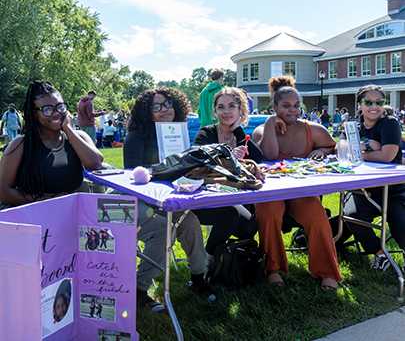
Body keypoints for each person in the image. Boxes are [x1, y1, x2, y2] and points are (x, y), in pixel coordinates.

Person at [124, 87, 216, 311]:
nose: (164, 109)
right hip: (137, 199)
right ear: (148, 112)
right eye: (157, 106)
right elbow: (131, 175)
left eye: (168, 104)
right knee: (163, 229)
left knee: (191, 222)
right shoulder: (137, 136)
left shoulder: (179, 133)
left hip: (168, 199)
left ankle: (197, 278)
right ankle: (138, 290)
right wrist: (163, 170)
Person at [252, 75, 342, 290]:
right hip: (272, 193)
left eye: (296, 106)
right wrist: (269, 124)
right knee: (269, 211)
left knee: (316, 214)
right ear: (274, 107)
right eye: (285, 106)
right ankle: (272, 269)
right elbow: (270, 156)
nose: (292, 110)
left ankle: (328, 272)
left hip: (302, 192)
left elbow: (335, 147)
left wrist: (320, 149)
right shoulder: (261, 131)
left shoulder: (315, 129)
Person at [0, 81, 103, 207]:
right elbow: (3, 192)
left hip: (71, 214)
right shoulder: (20, 145)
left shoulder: (78, 138)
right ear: (34, 112)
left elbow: (95, 164)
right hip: (32, 217)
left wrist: (69, 130)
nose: (56, 113)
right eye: (47, 109)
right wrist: (50, 199)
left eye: (60, 107)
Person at [193, 87, 264, 268]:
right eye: (221, 107)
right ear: (215, 111)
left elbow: (258, 157)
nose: (226, 111)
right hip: (206, 196)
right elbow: (196, 159)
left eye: (232, 106)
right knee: (230, 214)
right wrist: (229, 156)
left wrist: (238, 130)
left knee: (250, 227)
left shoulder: (240, 135)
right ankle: (207, 262)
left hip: (235, 194)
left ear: (241, 110)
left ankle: (231, 259)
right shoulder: (206, 133)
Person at [343, 85, 405, 271]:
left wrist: (358, 152)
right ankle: (379, 254)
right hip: (361, 190)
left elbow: (387, 156)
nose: (374, 106)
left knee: (401, 229)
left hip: (392, 190)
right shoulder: (353, 127)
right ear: (359, 105)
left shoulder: (390, 123)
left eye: (379, 102)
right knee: (352, 217)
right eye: (368, 102)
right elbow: (340, 150)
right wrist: (369, 144)